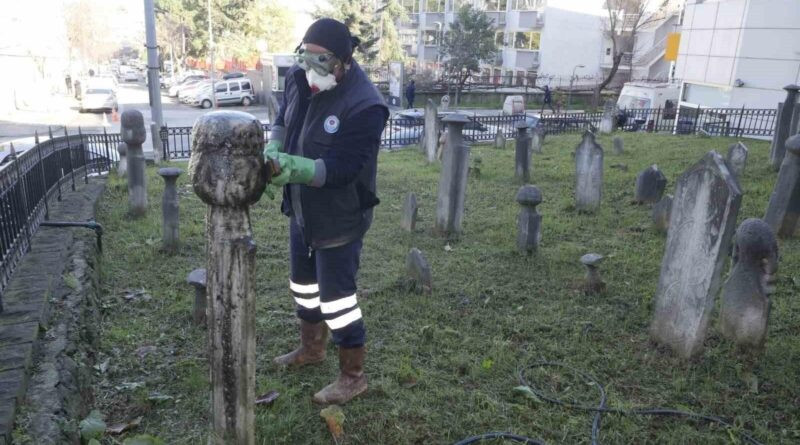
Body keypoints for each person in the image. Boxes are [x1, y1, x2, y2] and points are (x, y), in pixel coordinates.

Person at [264, 18, 389, 405]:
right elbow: (284, 118)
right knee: (303, 284)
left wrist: (298, 169)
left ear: (342, 63)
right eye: (306, 59)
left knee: (337, 300)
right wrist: (274, 146)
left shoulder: (366, 105)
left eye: (320, 63)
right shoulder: (299, 77)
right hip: (302, 209)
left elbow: (346, 168)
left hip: (340, 214)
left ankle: (353, 375)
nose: (310, 71)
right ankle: (311, 349)